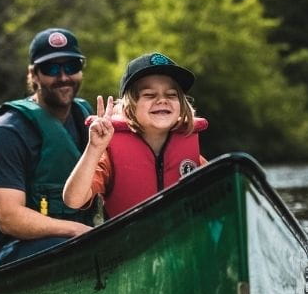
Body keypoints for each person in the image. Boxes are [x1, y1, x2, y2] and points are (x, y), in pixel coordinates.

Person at [0, 28, 97, 270]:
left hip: (81, 239)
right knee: (70, 248)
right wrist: (76, 230)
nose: (63, 77)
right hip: (13, 250)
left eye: (72, 66)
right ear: (34, 75)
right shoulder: (7, 131)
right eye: (52, 69)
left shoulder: (87, 118)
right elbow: (9, 218)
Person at [63, 52, 207, 219]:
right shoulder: (109, 157)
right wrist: (94, 148)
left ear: (181, 105)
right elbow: (73, 200)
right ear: (130, 107)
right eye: (150, 95)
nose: (162, 100)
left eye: (171, 95)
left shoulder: (193, 157)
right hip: (131, 242)